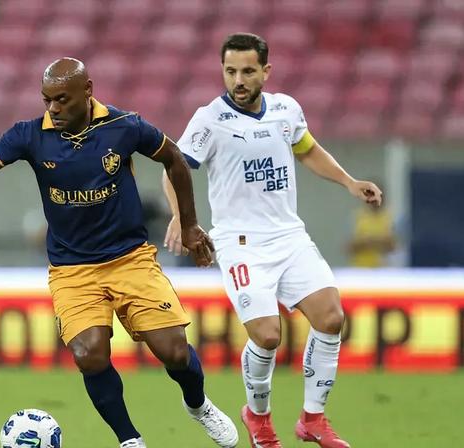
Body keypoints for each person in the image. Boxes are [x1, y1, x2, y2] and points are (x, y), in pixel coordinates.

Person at [0, 58, 238, 448]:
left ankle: (198, 404)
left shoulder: (124, 126)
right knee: (89, 354)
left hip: (130, 258)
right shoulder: (31, 135)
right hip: (73, 270)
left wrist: (188, 224)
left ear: (88, 92)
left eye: (61, 100)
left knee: (172, 351)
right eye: (47, 99)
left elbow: (173, 158)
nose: (52, 108)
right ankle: (130, 440)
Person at [163, 34, 383, 448]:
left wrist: (350, 182)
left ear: (266, 70)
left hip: (288, 235)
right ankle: (258, 417)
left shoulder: (286, 109)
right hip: (240, 243)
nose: (238, 80)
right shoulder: (209, 119)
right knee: (267, 335)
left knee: (332, 318)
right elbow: (174, 168)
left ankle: (313, 419)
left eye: (247, 71)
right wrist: (182, 218)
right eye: (230, 71)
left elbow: (308, 149)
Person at [347, 200, 396, 267]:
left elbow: (394, 246)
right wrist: (365, 242)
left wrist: (374, 241)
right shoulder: (358, 217)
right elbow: (349, 246)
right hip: (361, 268)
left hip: (383, 268)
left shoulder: (389, 218)